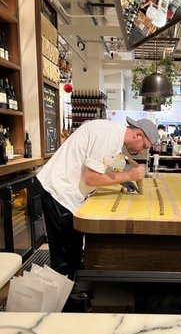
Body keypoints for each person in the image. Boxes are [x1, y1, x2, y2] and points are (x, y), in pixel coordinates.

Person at [37, 117, 159, 279]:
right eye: (144, 146)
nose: (142, 151)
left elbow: (103, 167)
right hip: (60, 192)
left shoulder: (116, 139)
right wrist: (128, 174)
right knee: (63, 257)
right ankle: (62, 298)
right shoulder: (108, 136)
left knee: (74, 249)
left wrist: (123, 179)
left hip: (71, 193)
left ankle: (75, 284)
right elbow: (91, 178)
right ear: (137, 134)